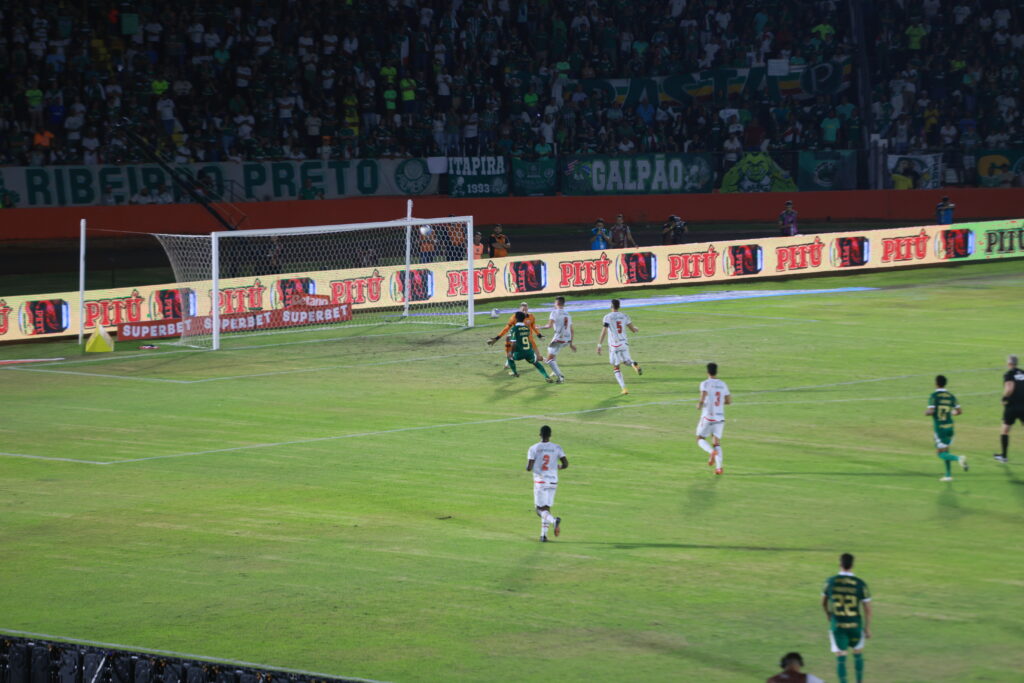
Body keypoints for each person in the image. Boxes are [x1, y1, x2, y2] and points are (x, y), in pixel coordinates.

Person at [822, 553, 872, 683]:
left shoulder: (830, 582)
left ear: (840, 564)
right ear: (852, 565)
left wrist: (828, 614)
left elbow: (823, 602)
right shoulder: (860, 584)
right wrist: (867, 628)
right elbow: (867, 609)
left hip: (838, 625)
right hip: (855, 625)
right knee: (857, 653)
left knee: (840, 656)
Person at [527, 424, 568, 542]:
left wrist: (533, 466)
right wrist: (556, 466)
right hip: (553, 481)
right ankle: (543, 535)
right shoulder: (557, 447)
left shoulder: (534, 448)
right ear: (550, 435)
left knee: (539, 509)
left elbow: (529, 467)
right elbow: (565, 464)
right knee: (546, 508)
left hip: (540, 481)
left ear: (540, 435)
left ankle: (554, 521)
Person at [926, 375, 968, 481]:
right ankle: (948, 475)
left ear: (936, 383)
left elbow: (931, 411)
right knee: (946, 450)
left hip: (940, 429)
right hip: (950, 427)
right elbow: (959, 411)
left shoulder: (934, 396)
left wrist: (926, 412)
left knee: (940, 453)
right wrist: (951, 413)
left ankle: (959, 458)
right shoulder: (951, 396)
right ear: (945, 383)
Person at [596, 298, 642, 395]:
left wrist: (599, 344)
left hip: (614, 345)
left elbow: (604, 331)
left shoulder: (607, 317)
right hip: (624, 343)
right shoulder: (625, 316)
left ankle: (624, 388)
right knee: (626, 362)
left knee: (616, 367)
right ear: (619, 306)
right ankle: (634, 364)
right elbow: (633, 329)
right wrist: (636, 329)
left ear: (611, 306)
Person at [488, 301, 544, 373]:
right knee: (512, 350)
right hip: (518, 339)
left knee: (537, 355)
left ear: (528, 309)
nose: (524, 311)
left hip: (530, 338)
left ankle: (546, 361)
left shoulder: (531, 316)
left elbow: (533, 326)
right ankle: (508, 363)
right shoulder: (514, 318)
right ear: (519, 309)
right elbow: (506, 329)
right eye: (523, 310)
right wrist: (497, 338)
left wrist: (539, 335)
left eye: (525, 309)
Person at [696, 362, 731, 475]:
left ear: (707, 372)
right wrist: (719, 403)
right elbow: (728, 401)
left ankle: (712, 452)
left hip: (708, 416)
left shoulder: (705, 384)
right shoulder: (723, 384)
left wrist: (700, 404)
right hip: (720, 417)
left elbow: (703, 395)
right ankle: (719, 468)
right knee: (716, 442)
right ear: (717, 372)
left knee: (700, 438)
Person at [504, 311, 554, 382]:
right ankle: (546, 376)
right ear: (524, 318)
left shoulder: (514, 329)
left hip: (519, 354)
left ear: (516, 318)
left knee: (509, 356)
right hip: (529, 352)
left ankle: (515, 373)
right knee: (536, 363)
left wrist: (511, 353)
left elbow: (514, 343)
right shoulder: (527, 328)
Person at [538, 296, 576, 383]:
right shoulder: (568, 314)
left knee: (549, 360)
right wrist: (571, 344)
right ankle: (555, 371)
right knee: (551, 355)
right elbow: (572, 330)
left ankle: (560, 377)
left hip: (558, 339)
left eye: (554, 303)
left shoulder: (554, 313)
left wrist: (540, 327)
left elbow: (549, 326)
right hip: (567, 339)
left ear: (557, 303)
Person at [995, 354, 1024, 463]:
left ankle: (1004, 456)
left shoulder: (1009, 374)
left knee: (1005, 430)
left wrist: (1004, 398)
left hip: (1012, 406)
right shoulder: (1023, 372)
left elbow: (1009, 388)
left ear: (1009, 363)